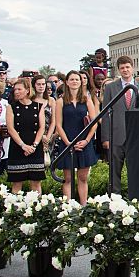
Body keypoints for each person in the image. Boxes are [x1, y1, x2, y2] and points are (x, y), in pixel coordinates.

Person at [100, 56, 139, 194]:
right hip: (116, 136)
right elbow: (105, 113)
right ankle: (115, 200)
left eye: (127, 67)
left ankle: (136, 198)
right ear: (118, 70)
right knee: (114, 171)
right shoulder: (111, 87)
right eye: (122, 68)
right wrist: (105, 138)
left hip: (136, 137)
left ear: (132, 68)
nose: (125, 70)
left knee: (136, 170)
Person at [55, 70, 98, 203]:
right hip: (67, 142)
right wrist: (67, 142)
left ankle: (83, 205)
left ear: (81, 82)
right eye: (72, 79)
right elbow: (58, 124)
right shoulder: (61, 101)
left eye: (77, 79)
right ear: (67, 82)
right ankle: (68, 207)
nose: (74, 82)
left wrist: (86, 140)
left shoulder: (86, 100)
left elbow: (94, 123)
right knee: (68, 179)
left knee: (83, 178)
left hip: (84, 142)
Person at [5, 78, 46, 193]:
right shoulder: (11, 107)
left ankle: (37, 208)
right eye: (15, 89)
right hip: (18, 148)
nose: (16, 92)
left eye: (19, 89)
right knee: (17, 183)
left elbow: (41, 127)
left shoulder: (38, 106)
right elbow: (11, 128)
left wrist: (34, 145)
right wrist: (23, 146)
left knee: (36, 183)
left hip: (35, 148)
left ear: (27, 90)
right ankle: (16, 209)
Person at [31, 75, 57, 149]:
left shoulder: (51, 100)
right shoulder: (30, 100)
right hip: (34, 134)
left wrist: (48, 137)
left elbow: (53, 121)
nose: (41, 86)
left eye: (43, 84)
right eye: (38, 84)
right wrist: (41, 136)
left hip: (48, 133)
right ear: (34, 85)